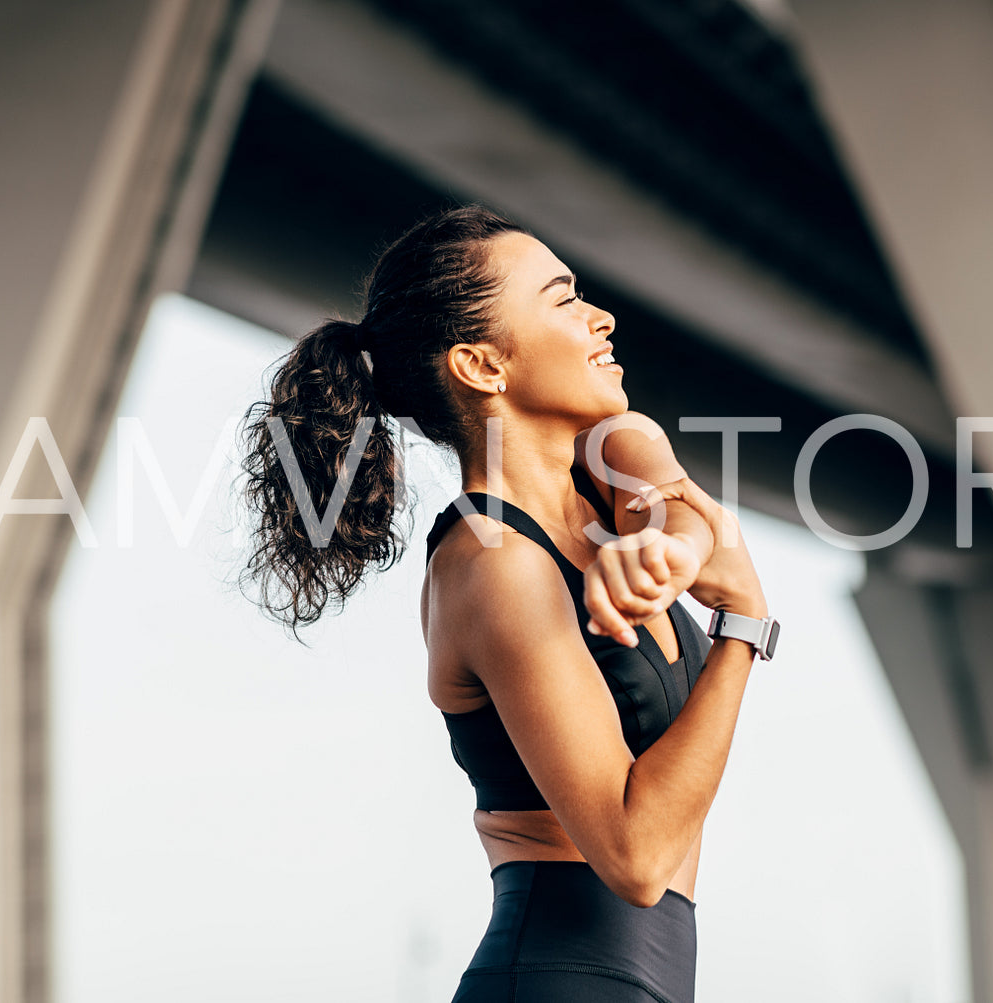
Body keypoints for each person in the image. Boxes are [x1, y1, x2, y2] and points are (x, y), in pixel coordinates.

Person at [239, 204, 772, 1003]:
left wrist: (679, 549)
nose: (601, 317)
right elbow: (633, 856)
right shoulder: (492, 566)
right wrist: (740, 630)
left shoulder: (613, 463)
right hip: (559, 979)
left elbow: (678, 506)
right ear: (483, 366)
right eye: (562, 301)